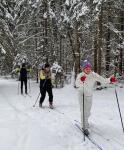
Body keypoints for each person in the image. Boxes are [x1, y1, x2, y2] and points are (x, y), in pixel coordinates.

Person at [75, 60, 117, 136]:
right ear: (83, 69)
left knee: (88, 111)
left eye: (89, 67)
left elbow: (103, 80)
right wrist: (81, 80)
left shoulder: (94, 75)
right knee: (84, 111)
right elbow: (77, 84)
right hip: (82, 94)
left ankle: (86, 122)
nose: (88, 69)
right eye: (86, 68)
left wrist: (110, 80)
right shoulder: (80, 75)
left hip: (89, 94)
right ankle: (84, 127)